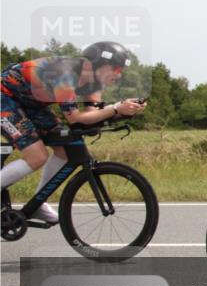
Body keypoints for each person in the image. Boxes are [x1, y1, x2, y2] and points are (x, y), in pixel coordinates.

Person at [0, 41, 147, 223]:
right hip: (4, 97)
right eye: (116, 68)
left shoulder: (94, 83)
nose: (119, 73)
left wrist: (123, 111)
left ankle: (37, 204)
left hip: (31, 104)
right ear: (98, 64)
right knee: (36, 156)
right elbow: (76, 119)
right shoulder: (65, 74)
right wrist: (116, 108)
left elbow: (90, 117)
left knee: (65, 148)